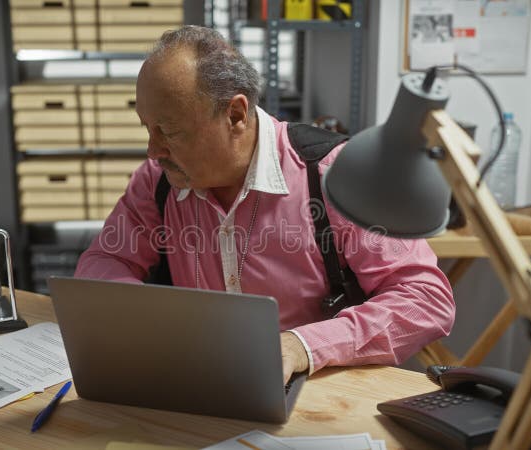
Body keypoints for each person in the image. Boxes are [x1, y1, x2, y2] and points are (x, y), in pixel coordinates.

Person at [75, 25, 454, 383]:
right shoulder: (157, 180)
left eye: (169, 132)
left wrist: (303, 345)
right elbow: (105, 261)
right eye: (147, 128)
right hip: (195, 382)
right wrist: (145, 315)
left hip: (316, 392)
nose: (153, 150)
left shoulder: (332, 176)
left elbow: (425, 300)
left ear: (235, 116)